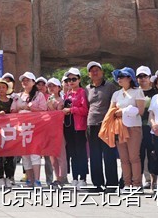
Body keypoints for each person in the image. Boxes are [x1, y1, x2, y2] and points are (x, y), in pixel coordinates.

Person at [109, 66, 145, 191]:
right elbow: (111, 111)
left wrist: (123, 111)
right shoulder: (116, 93)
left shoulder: (137, 91)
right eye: (118, 77)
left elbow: (140, 111)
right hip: (120, 127)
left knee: (134, 157)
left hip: (134, 127)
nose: (119, 79)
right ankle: (127, 183)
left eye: (122, 76)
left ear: (130, 78)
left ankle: (137, 184)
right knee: (123, 158)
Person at [85, 61, 119, 191]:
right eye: (92, 70)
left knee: (109, 154)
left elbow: (115, 105)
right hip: (91, 124)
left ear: (102, 72)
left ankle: (111, 184)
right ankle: (97, 184)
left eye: (97, 70)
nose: (94, 72)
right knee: (94, 155)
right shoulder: (87, 88)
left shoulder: (110, 87)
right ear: (89, 74)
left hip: (106, 125)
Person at [11, 71, 47, 187]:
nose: (25, 82)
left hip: (35, 128)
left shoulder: (39, 95)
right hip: (21, 128)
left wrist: (31, 108)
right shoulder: (18, 96)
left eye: (28, 80)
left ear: (33, 82)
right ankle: (29, 180)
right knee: (25, 154)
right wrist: (21, 108)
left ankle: (37, 180)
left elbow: (43, 110)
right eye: (23, 80)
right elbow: (12, 110)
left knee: (35, 153)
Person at [62, 67, 88, 188]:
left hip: (79, 127)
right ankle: (75, 177)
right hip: (68, 126)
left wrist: (71, 110)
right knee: (72, 153)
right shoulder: (67, 93)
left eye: (74, 79)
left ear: (79, 79)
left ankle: (82, 177)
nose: (71, 81)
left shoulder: (82, 92)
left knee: (80, 152)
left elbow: (84, 109)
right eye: (68, 79)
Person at [135, 65, 158, 189]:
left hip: (150, 128)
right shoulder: (133, 92)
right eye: (140, 76)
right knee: (138, 155)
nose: (142, 78)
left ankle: (154, 181)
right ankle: (140, 180)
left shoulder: (156, 93)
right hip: (136, 127)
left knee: (152, 154)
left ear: (150, 78)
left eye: (145, 76)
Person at [46, 78, 68, 187]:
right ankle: (57, 177)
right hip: (49, 130)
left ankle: (62, 178)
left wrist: (50, 106)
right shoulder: (48, 99)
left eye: (53, 86)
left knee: (60, 155)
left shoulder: (61, 100)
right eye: (49, 86)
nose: (51, 88)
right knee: (52, 156)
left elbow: (58, 115)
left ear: (59, 87)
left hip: (59, 129)